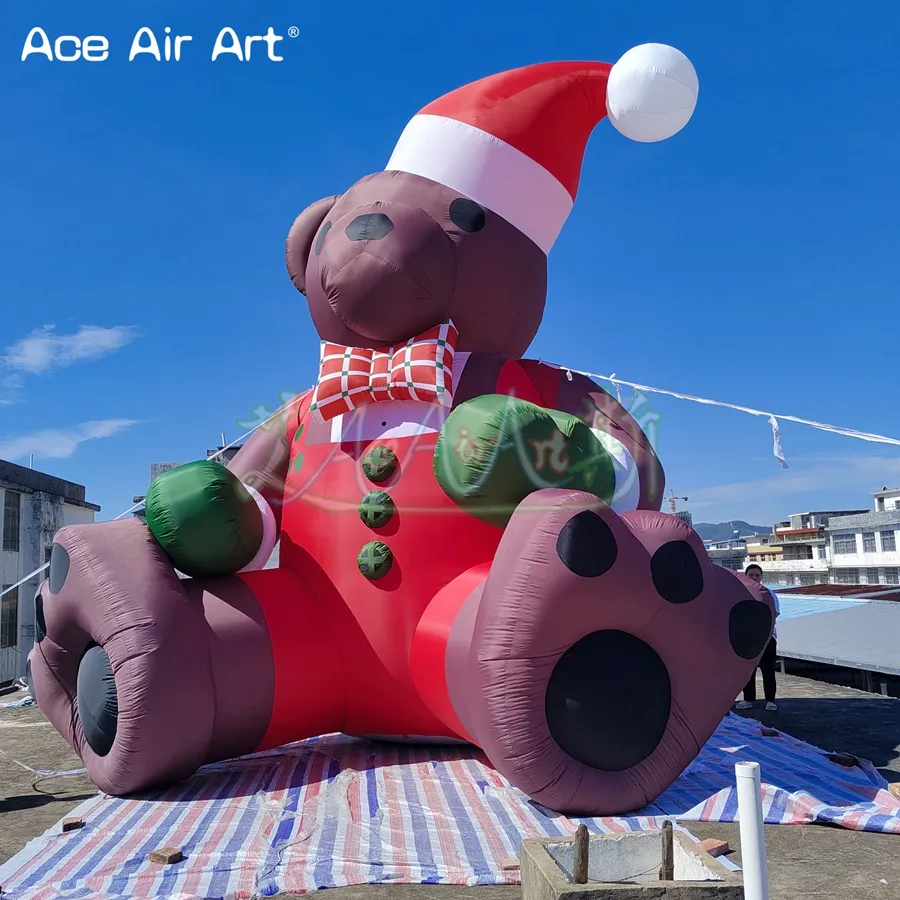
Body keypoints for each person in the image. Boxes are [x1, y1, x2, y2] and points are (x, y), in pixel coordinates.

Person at [735, 564, 780, 711]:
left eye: (757, 575)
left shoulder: (770, 593)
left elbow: (775, 614)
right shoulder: (740, 592)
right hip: (748, 638)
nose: (754, 578)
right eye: (751, 575)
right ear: (745, 575)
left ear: (761, 577)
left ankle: (770, 700)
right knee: (747, 671)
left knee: (768, 670)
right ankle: (748, 699)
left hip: (767, 638)